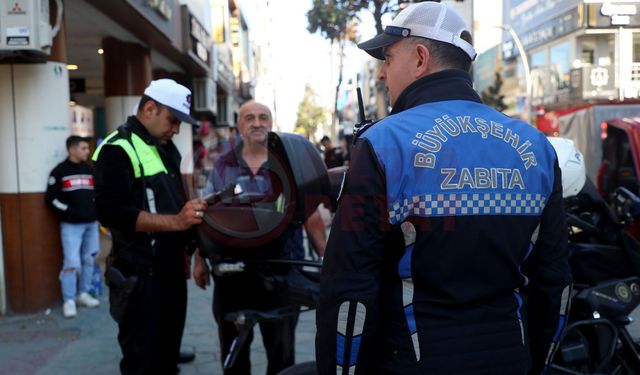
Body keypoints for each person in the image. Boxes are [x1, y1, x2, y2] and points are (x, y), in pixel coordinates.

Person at [316, 3, 571, 375]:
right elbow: (555, 284)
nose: (383, 73)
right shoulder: (537, 147)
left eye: (387, 58)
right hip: (509, 360)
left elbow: (348, 292)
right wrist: (536, 363)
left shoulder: (385, 144)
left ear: (420, 58)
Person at [192, 100, 327, 375]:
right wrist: (199, 260)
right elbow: (204, 213)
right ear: (239, 126)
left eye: (263, 117)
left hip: (282, 271)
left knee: (282, 354)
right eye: (249, 118)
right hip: (233, 275)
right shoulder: (223, 164)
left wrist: (328, 260)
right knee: (234, 356)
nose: (257, 123)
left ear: (271, 123)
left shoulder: (288, 161)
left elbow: (310, 214)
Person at [93, 78, 207, 374]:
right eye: (173, 120)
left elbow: (177, 202)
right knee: (142, 362)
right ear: (149, 109)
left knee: (166, 357)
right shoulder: (116, 149)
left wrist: (196, 250)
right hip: (139, 277)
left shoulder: (165, 147)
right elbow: (111, 213)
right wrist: (177, 221)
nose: (176, 129)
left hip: (170, 272)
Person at [46, 135, 101, 319]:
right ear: (72, 149)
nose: (87, 151)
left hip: (91, 224)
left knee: (89, 259)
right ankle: (69, 300)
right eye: (84, 148)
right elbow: (51, 199)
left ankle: (83, 294)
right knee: (71, 263)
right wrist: (69, 211)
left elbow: (98, 195)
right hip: (71, 226)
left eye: (87, 148)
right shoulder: (59, 172)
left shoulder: (89, 170)